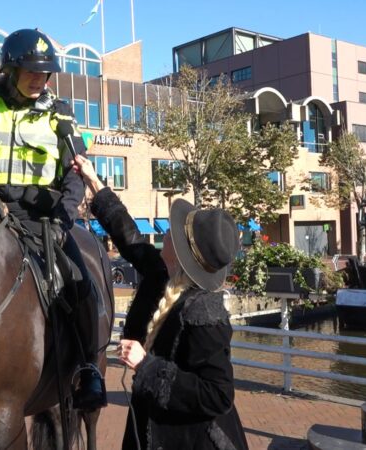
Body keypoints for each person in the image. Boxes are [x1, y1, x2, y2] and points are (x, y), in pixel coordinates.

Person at [0, 29, 106, 410]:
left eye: (46, 73)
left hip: (44, 217)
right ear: (10, 70)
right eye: (32, 72)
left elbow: (76, 172)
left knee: (80, 280)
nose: (40, 79)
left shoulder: (61, 113)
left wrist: (63, 218)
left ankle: (88, 369)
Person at [73, 154, 250, 450]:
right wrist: (93, 181)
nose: (165, 235)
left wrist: (147, 364)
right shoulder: (160, 273)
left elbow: (218, 395)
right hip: (151, 422)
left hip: (189, 439)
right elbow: (129, 237)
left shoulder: (205, 313)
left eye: (171, 234)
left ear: (181, 255)